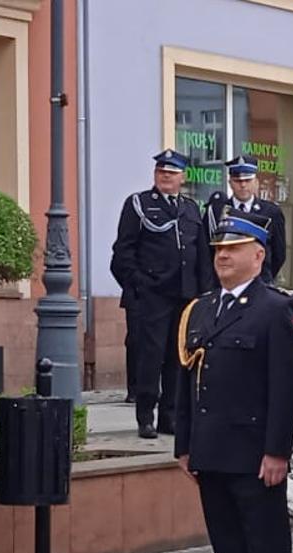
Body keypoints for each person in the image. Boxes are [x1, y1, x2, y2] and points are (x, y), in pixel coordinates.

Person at [174, 210, 293, 553]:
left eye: (232, 249)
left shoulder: (276, 309)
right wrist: (184, 444)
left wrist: (277, 452)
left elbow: (286, 387)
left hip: (254, 455)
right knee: (231, 552)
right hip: (211, 452)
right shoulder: (203, 308)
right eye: (217, 250)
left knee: (265, 552)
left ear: (258, 254)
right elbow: (189, 381)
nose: (222, 256)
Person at [110, 149, 214, 439]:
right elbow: (123, 253)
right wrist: (139, 286)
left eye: (171, 173)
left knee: (177, 359)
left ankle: (170, 417)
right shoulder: (139, 204)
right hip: (153, 296)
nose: (165, 177)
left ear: (182, 177)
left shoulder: (191, 209)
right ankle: (146, 416)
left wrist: (204, 293)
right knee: (150, 358)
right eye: (161, 173)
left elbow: (202, 254)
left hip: (184, 296)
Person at [204, 157, 287, 283]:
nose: (243, 185)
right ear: (230, 182)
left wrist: (263, 276)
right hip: (225, 285)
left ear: (256, 182)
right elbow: (207, 251)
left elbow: (279, 254)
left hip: (260, 284)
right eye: (237, 181)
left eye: (248, 180)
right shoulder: (217, 211)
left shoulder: (271, 212)